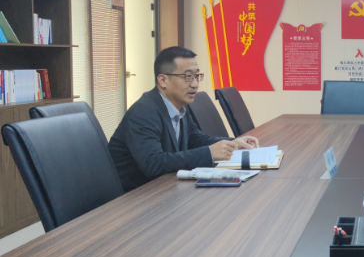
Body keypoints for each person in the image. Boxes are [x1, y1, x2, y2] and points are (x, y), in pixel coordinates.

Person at [109, 46, 259, 192]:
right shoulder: (144, 112)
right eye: (187, 77)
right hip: (134, 197)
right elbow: (153, 163)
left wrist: (232, 143)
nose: (195, 84)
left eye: (196, 76)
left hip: (165, 189)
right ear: (163, 80)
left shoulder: (179, 105)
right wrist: (209, 153)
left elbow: (194, 138)